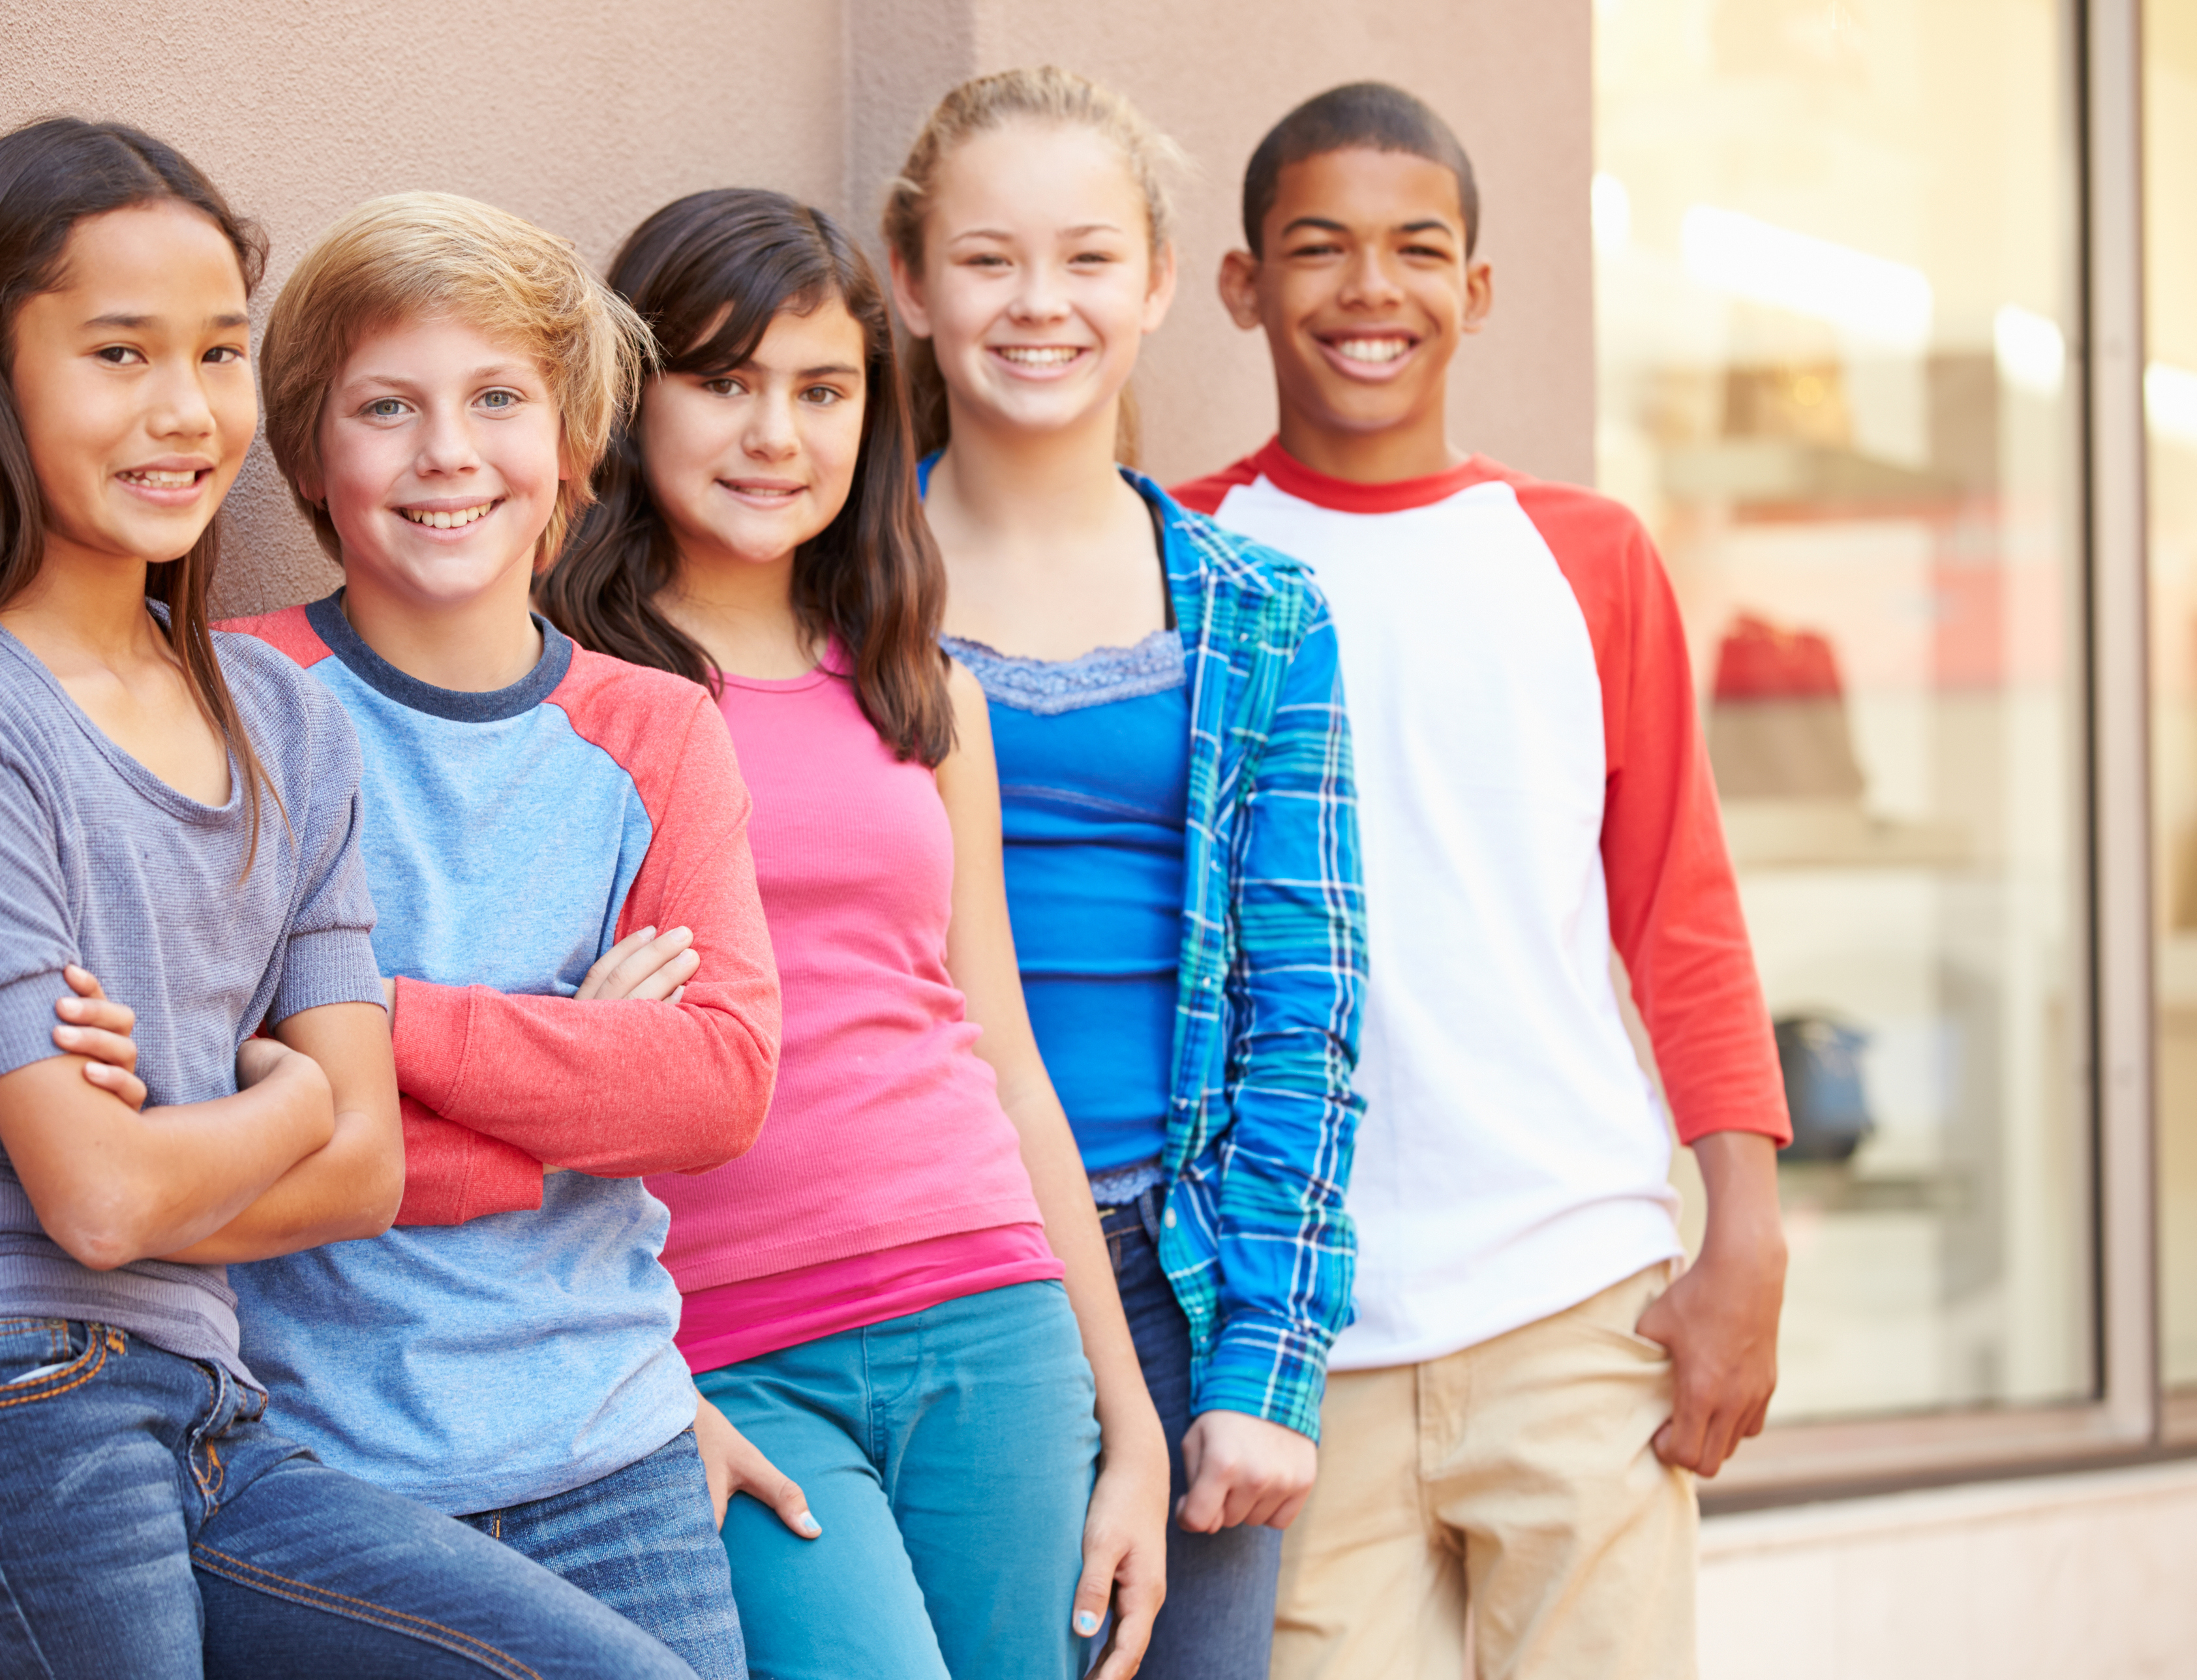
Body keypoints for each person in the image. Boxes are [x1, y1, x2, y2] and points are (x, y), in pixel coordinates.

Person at [0, 119, 693, 1679]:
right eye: (118, 354)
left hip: (203, 1399)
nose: (183, 411)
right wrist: (278, 1101)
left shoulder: (279, 720)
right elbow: (105, 1201)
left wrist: (193, 1134)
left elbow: (365, 1169)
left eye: (215, 355)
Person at [1172, 82, 1793, 1680]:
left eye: (1418, 249)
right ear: (1244, 285)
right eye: (1318, 248)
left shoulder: (1585, 555)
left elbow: (1684, 914)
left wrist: (1747, 1234)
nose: (1371, 289)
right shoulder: (1180, 553)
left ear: (1479, 288)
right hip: (1294, 1335)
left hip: (1575, 1298)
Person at [540, 187, 1170, 1680]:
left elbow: (1004, 1057)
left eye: (822, 391)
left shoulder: (923, 691)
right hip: (724, 1351)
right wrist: (644, 1382)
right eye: (724, 381)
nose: (776, 434)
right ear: (632, 398)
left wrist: (1129, 1417)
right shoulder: (564, 693)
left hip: (994, 1321)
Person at [207, 192, 777, 1680]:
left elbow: (716, 1085)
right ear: (314, 465)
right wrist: (573, 1084)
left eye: (498, 399)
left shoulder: (655, 728)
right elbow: (208, 1103)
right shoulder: (237, 706)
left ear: (573, 456)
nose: (446, 450)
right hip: (322, 1474)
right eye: (385, 406)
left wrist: (370, 1026)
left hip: (616, 1455)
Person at [880, 65, 1367, 1680]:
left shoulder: (1261, 610)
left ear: (1159, 282)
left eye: (1089, 258)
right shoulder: (829, 602)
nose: (1041, 304)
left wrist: (1269, 1364)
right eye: (990, 258)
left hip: (1181, 1277)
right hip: (926, 1266)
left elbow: (1311, 1000)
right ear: (911, 280)